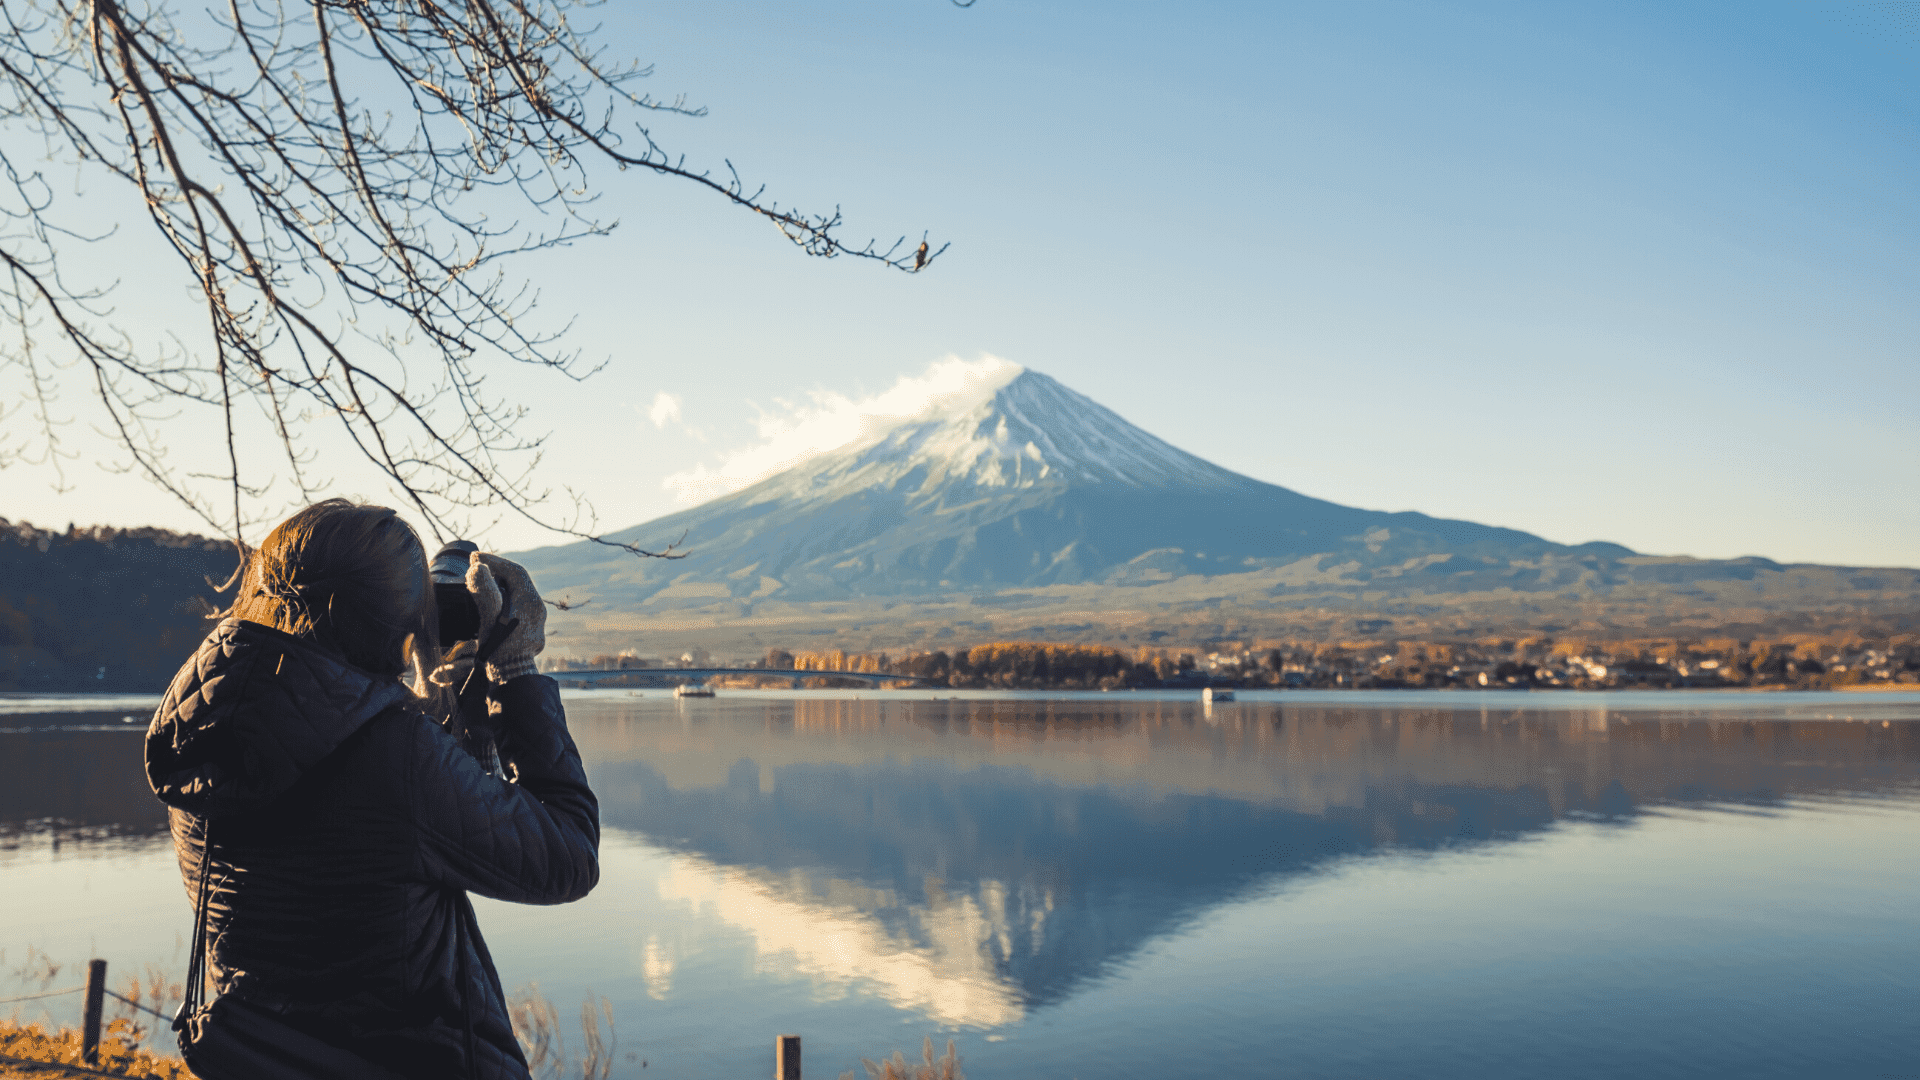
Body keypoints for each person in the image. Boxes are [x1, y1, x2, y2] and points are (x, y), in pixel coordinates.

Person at [145, 499, 599, 1079]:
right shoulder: (397, 756)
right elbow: (568, 856)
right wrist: (513, 673)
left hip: (263, 1060)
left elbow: (355, 864)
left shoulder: (202, 729)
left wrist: (444, 719)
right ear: (398, 625)